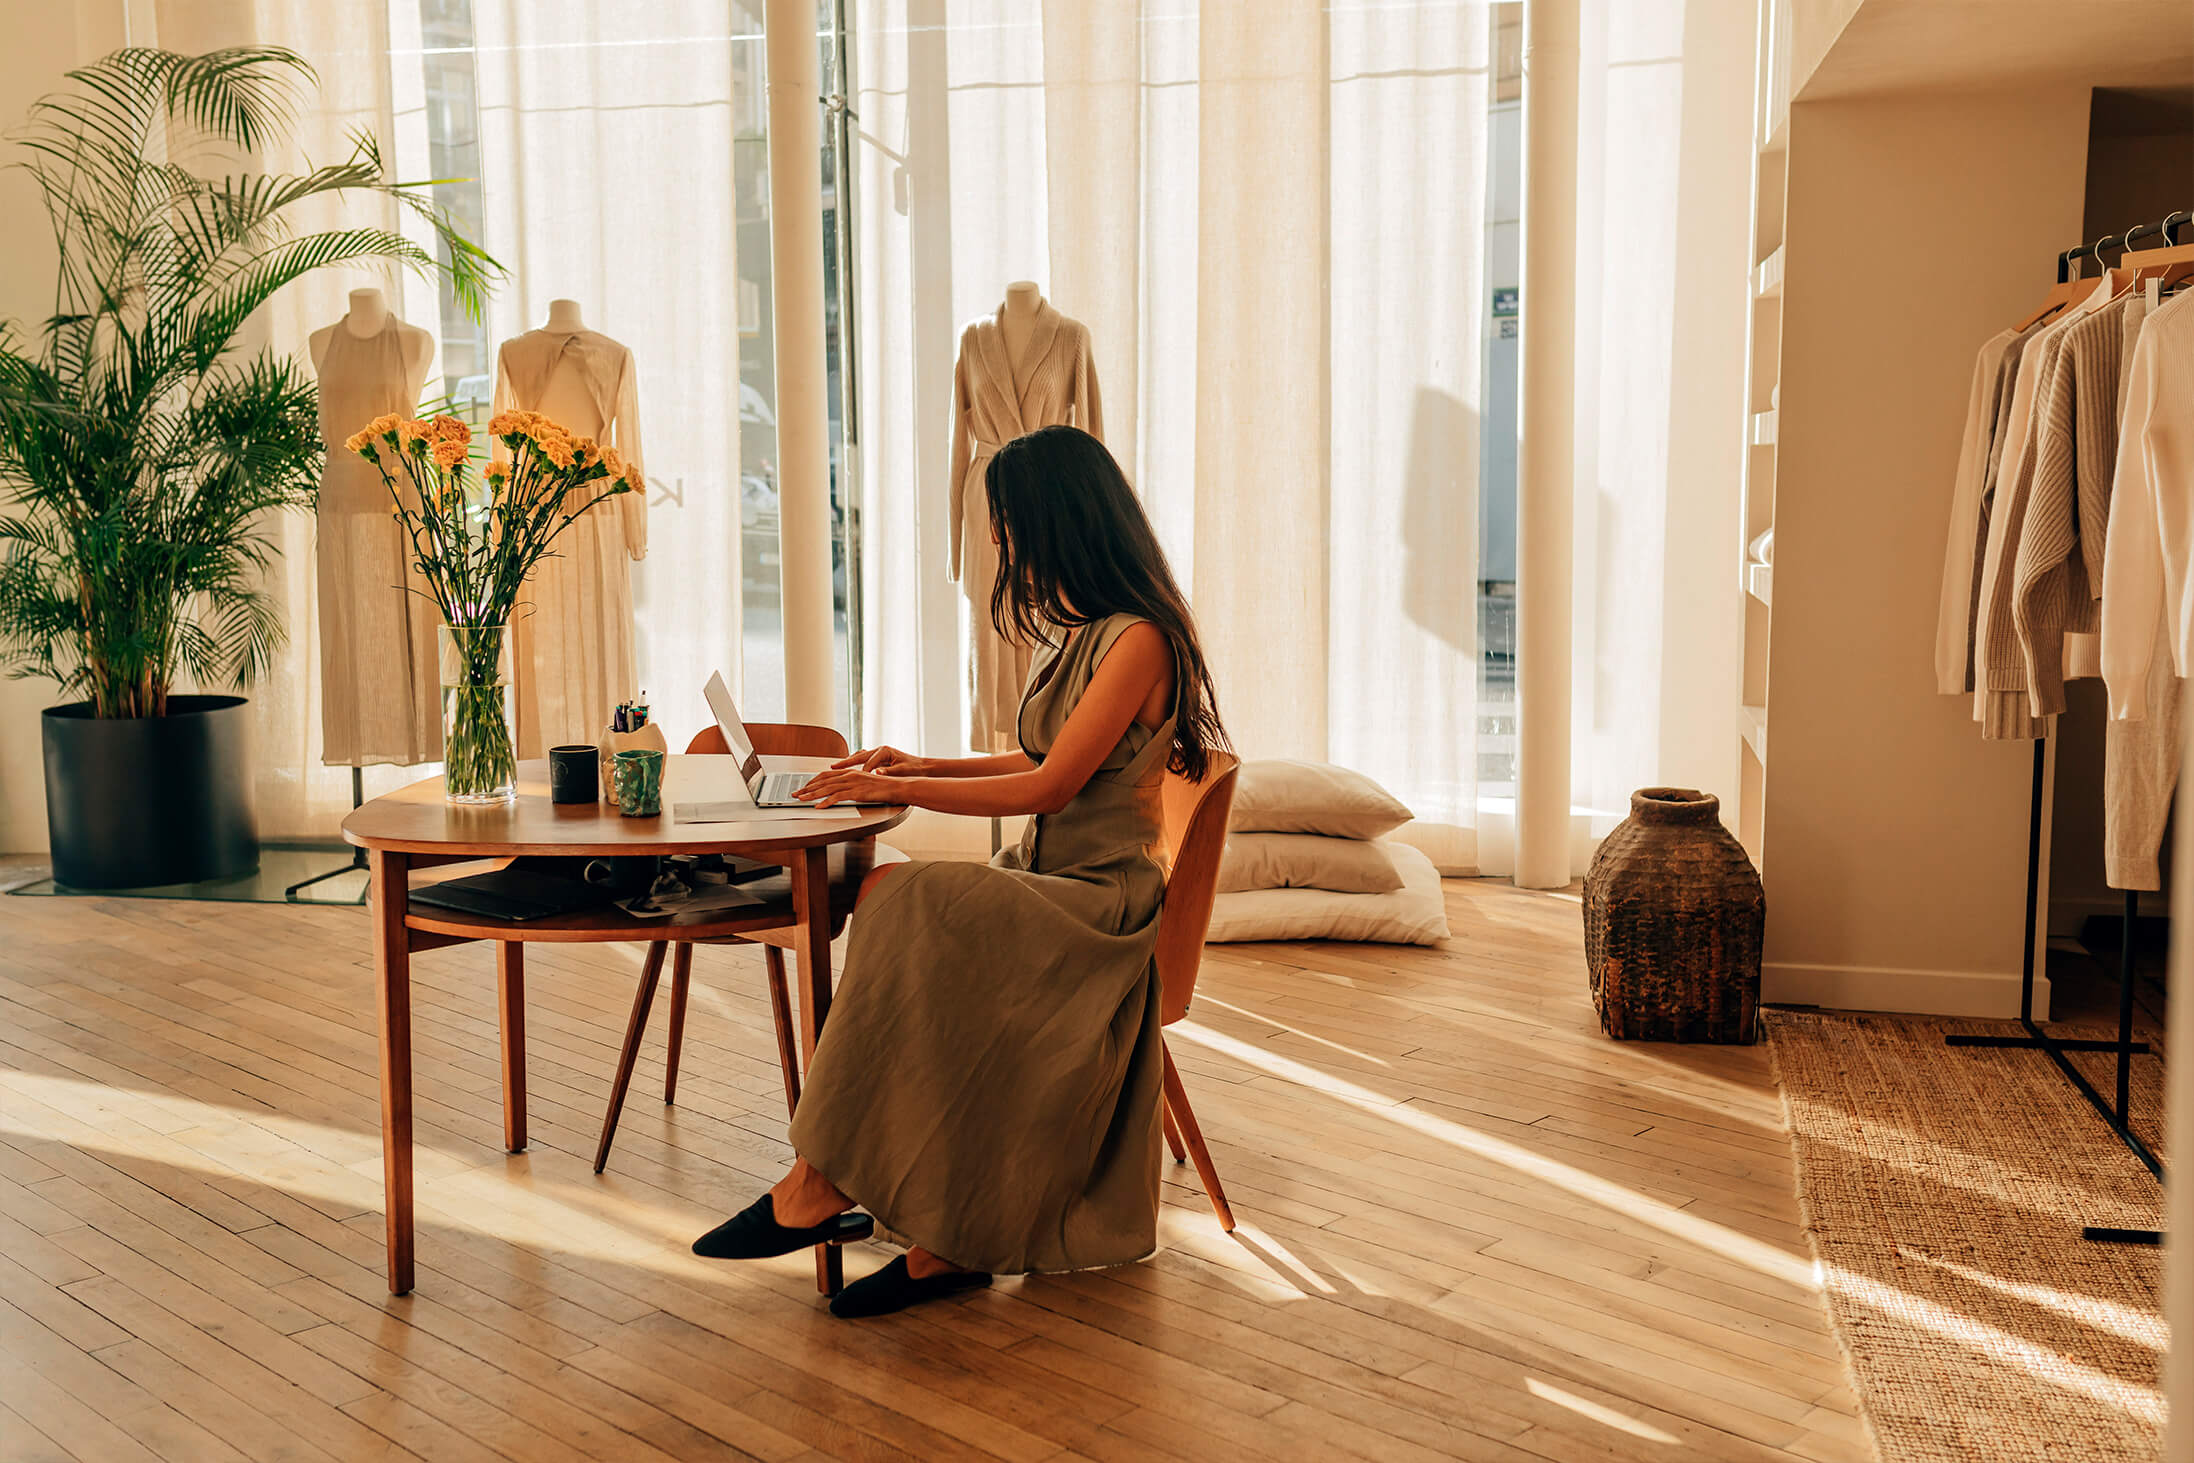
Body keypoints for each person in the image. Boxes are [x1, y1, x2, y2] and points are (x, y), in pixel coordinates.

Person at [689, 423, 1229, 1318]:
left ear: (1059, 519)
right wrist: (909, 768)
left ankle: (824, 1187)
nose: (998, 542)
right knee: (889, 890)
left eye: (1007, 522)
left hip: (1098, 906)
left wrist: (915, 787)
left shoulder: (1137, 640)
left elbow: (1049, 782)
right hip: (1054, 880)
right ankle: (905, 1219)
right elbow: (1042, 762)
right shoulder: (1091, 630)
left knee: (903, 894)